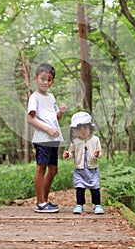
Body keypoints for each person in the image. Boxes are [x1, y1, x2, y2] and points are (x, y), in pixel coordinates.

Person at [27, 63, 67, 213]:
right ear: (35, 78)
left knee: (54, 169)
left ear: (52, 81)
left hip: (53, 139)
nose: (45, 82)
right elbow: (31, 119)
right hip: (42, 138)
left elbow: (54, 117)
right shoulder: (34, 97)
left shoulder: (51, 97)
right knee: (41, 167)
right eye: (42, 78)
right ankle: (40, 202)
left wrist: (61, 112)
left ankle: (44, 199)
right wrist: (47, 129)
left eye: (49, 80)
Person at [63, 111, 104, 215]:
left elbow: (100, 152)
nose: (83, 131)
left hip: (92, 168)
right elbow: (72, 153)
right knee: (79, 188)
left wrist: (97, 154)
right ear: (75, 130)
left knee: (95, 187)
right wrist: (68, 155)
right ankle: (79, 205)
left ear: (90, 128)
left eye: (85, 128)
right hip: (79, 169)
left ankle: (97, 205)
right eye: (79, 129)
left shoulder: (95, 140)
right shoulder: (75, 141)